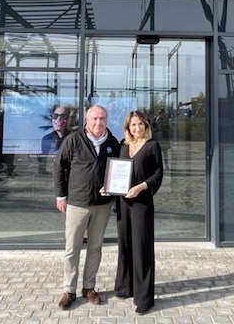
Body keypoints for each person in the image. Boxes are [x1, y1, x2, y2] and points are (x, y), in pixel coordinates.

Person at [52, 105, 120, 310]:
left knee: (95, 247)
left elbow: (117, 170)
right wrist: (61, 195)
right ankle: (69, 290)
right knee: (72, 248)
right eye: (95, 119)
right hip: (77, 203)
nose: (99, 122)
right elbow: (59, 167)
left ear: (106, 120)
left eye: (102, 118)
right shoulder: (73, 139)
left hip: (102, 205)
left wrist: (113, 189)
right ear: (87, 121)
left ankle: (89, 287)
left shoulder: (112, 142)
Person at [108, 110, 163, 315]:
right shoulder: (123, 146)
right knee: (125, 243)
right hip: (123, 202)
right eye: (133, 125)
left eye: (140, 124)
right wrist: (108, 187)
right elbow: (115, 172)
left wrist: (141, 187)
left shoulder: (152, 146)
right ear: (128, 128)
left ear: (146, 125)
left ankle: (144, 298)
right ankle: (125, 287)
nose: (137, 128)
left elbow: (158, 174)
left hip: (141, 203)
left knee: (141, 247)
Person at [39, 105, 70, 174]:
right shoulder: (47, 139)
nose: (58, 119)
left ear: (68, 120)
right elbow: (45, 162)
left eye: (63, 116)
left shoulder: (73, 138)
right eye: (55, 116)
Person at [0, 112, 14, 179]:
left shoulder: (6, 124)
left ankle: (7, 171)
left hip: (5, 142)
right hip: (0, 142)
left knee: (6, 158)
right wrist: (4, 137)